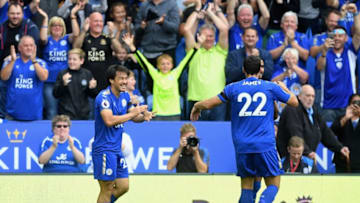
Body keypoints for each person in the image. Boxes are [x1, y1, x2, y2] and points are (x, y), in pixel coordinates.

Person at [190, 55, 298, 203]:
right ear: (260, 70)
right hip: (264, 144)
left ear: (243, 70)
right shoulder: (270, 87)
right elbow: (294, 102)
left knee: (247, 185)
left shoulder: (233, 88)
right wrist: (285, 89)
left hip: (243, 145)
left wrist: (197, 106)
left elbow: (209, 104)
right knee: (274, 185)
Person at [92, 65, 154, 203]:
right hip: (104, 149)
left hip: (116, 149)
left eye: (126, 78)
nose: (124, 82)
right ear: (111, 80)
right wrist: (132, 113)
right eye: (121, 79)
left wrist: (143, 117)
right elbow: (109, 120)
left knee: (123, 186)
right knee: (106, 189)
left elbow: (133, 117)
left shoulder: (125, 95)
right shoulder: (103, 98)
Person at [123, 33, 199, 120]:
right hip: (158, 113)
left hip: (174, 113)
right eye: (162, 64)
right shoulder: (155, 74)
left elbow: (187, 59)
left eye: (168, 64)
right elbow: (143, 61)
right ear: (158, 66)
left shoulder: (175, 73)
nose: (165, 66)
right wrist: (132, 47)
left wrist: (198, 45)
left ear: (172, 65)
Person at [277, 84, 350, 162]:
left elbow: (325, 133)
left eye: (313, 96)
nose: (310, 99)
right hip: (290, 159)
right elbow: (296, 134)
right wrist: (308, 152)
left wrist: (340, 148)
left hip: (306, 157)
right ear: (299, 96)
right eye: (308, 96)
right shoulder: (292, 109)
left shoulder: (313, 110)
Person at [184, 2, 229, 121]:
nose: (208, 39)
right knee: (194, 136)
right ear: (198, 36)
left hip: (217, 100)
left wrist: (210, 13)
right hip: (196, 100)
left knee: (217, 135)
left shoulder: (220, 50)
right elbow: (187, 29)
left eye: (211, 36)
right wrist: (197, 11)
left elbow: (224, 29)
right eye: (205, 36)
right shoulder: (193, 51)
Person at [38, 7, 80, 120]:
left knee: (66, 111)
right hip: (49, 81)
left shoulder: (66, 39)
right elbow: (42, 38)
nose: (57, 27)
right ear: (50, 28)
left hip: (65, 81)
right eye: (54, 25)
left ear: (63, 28)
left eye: (60, 25)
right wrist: (46, 18)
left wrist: (72, 15)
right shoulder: (47, 39)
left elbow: (76, 34)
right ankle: (52, 136)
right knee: (51, 111)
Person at [0, 2, 40, 118]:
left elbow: (32, 48)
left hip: (25, 68)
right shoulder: (2, 27)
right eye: (12, 13)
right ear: (7, 14)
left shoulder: (30, 27)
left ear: (23, 14)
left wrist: (15, 57)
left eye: (18, 13)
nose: (15, 16)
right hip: (4, 68)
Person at [316, 21, 360, 122]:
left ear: (345, 38)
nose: (337, 38)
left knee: (348, 136)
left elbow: (358, 33)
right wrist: (323, 52)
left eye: (340, 36)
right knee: (329, 137)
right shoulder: (325, 53)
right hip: (328, 106)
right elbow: (319, 66)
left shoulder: (351, 52)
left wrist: (356, 13)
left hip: (349, 106)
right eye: (334, 36)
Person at [0, 35, 48, 121]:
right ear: (19, 48)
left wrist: (34, 61)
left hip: (34, 115)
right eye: (26, 46)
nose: (29, 48)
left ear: (35, 47)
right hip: (12, 115)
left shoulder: (41, 62)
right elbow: (3, 77)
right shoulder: (10, 61)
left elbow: (43, 77)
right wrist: (12, 61)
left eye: (31, 45)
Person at [73, 11, 122, 93]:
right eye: (96, 21)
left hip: (105, 81)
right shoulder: (84, 37)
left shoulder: (107, 38)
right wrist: (84, 31)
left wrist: (112, 36)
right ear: (89, 22)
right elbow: (75, 48)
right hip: (87, 80)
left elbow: (119, 50)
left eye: (101, 21)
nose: (98, 23)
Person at [53, 48, 97, 120]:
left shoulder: (87, 73)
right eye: (69, 59)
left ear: (81, 61)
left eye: (74, 59)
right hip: (66, 115)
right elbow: (55, 94)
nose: (71, 62)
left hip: (83, 114)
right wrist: (63, 85)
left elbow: (93, 95)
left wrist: (92, 88)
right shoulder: (62, 74)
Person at [331, 94, 360, 173]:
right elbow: (331, 133)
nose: (357, 105)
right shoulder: (341, 118)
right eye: (354, 102)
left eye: (359, 103)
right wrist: (346, 118)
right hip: (342, 162)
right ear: (349, 104)